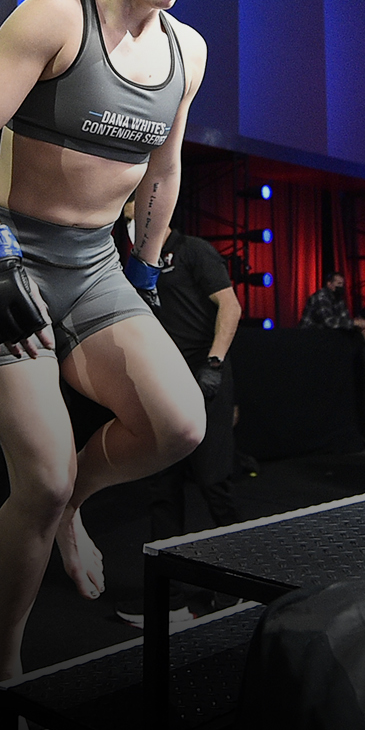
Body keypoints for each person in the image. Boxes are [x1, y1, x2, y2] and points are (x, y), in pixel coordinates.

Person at [0, 0, 209, 730]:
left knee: (177, 426)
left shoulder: (188, 52)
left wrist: (147, 273)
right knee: (41, 473)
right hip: (8, 252)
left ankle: (72, 513)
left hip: (97, 266)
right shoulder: (56, 16)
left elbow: (163, 174)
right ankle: (0, 676)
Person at [119, 222, 243, 628]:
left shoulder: (193, 251)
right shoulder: (135, 264)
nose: (128, 223)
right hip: (164, 383)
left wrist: (214, 365)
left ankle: (242, 586)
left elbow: (231, 305)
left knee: (213, 483)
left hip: (205, 380)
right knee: (162, 490)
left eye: (132, 212)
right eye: (124, 218)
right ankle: (169, 599)